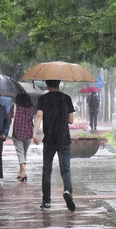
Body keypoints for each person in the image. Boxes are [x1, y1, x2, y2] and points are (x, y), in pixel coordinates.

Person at [32, 80, 76, 211]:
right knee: (65, 169)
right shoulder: (66, 98)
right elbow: (71, 120)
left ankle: (46, 201)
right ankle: (68, 191)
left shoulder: (43, 99)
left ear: (47, 84)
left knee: (47, 170)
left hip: (50, 139)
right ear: (59, 83)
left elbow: (39, 115)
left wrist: (34, 133)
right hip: (64, 138)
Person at [9, 93, 36, 182]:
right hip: (28, 132)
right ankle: (20, 173)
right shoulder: (32, 107)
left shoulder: (15, 107)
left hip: (18, 132)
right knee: (24, 153)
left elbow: (9, 116)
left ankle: (24, 172)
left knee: (20, 152)